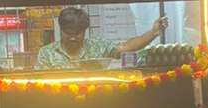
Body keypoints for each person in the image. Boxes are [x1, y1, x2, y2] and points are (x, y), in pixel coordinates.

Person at [36, 6, 167, 70]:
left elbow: (126, 47)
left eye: (77, 33)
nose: (72, 38)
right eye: (68, 33)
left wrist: (153, 32)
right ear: (61, 30)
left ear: (84, 31)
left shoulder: (97, 46)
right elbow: (40, 86)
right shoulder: (46, 54)